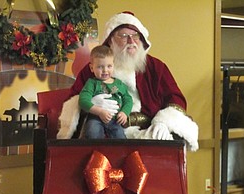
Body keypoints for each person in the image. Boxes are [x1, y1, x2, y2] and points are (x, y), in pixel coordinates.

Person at [57, 11, 199, 151]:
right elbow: (73, 101)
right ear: (110, 40)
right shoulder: (95, 68)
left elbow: (175, 98)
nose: (131, 41)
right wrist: (92, 104)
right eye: (123, 36)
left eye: (135, 36)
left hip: (147, 132)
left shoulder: (156, 67)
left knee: (165, 145)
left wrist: (163, 122)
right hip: (107, 132)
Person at [79, 45, 133, 139]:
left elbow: (128, 99)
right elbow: (83, 100)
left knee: (120, 136)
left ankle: (118, 153)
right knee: (92, 132)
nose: (105, 70)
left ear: (113, 66)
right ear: (92, 68)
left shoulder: (119, 84)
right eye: (100, 67)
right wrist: (99, 111)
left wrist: (124, 112)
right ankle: (95, 152)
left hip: (115, 118)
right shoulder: (92, 83)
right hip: (95, 117)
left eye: (109, 66)